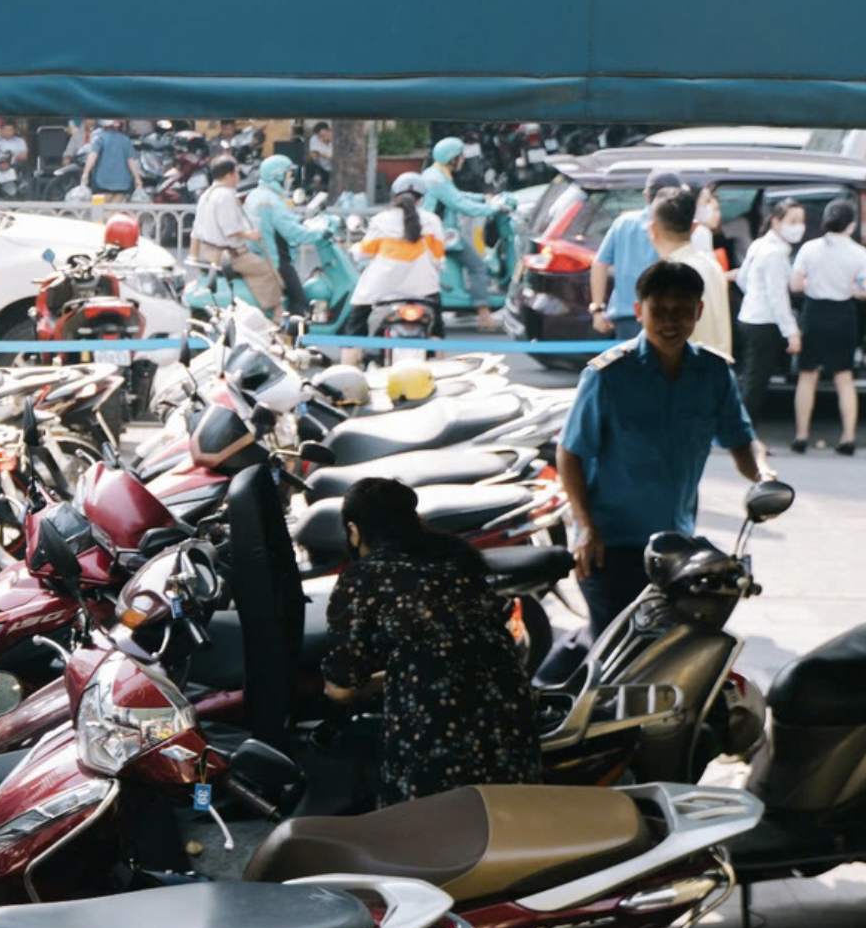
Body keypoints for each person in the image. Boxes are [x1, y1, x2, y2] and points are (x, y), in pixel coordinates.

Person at [558, 259, 775, 639]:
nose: (670, 322)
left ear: (699, 312)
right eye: (659, 311)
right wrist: (586, 528)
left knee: (666, 652)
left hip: (677, 546)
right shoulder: (608, 376)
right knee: (613, 650)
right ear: (640, 311)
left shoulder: (712, 373)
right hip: (610, 544)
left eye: (682, 311)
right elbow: (570, 453)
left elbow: (741, 440)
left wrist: (763, 475)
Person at [322, 477, 544, 803]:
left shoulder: (363, 577)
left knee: (429, 828)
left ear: (354, 530)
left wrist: (377, 681)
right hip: (509, 710)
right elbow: (455, 644)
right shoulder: (456, 560)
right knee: (505, 816)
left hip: (437, 727)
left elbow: (342, 689)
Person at [790, 197, 866, 455]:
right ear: (850, 225)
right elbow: (863, 292)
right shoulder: (860, 253)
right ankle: (848, 437)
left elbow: (795, 285)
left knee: (808, 376)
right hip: (844, 314)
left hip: (814, 312)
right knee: (844, 377)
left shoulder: (809, 249)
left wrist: (813, 283)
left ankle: (801, 435)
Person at [344, 178, 447, 338]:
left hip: (381, 290)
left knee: (355, 329)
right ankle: (438, 359)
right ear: (421, 199)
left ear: (394, 196)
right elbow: (439, 260)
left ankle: (348, 361)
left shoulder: (381, 220)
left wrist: (354, 249)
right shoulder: (433, 221)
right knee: (437, 331)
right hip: (424, 290)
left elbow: (364, 252)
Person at [734, 198, 807, 423]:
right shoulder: (775, 253)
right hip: (764, 322)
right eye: (792, 221)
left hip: (750, 316)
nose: (798, 227)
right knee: (756, 383)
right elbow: (778, 298)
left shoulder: (760, 245)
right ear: (776, 222)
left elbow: (742, 279)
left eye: (801, 221)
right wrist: (791, 332)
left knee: (751, 379)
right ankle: (744, 435)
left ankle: (744, 432)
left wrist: (755, 296)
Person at [587, 168, 684, 335]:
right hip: (668, 317)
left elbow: (599, 264)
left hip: (626, 320)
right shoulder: (680, 228)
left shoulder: (623, 223)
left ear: (646, 195)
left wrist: (597, 310)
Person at [639, 189, 732, 363]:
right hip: (716, 372)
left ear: (653, 229)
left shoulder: (666, 276)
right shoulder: (712, 266)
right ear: (694, 227)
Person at [418, 135, 498, 297]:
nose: (463, 160)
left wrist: (482, 198)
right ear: (452, 158)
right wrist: (494, 209)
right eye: (460, 156)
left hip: (441, 230)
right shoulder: (437, 179)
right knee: (477, 266)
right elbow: (461, 204)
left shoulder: (436, 174)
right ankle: (483, 309)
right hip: (441, 232)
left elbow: (456, 195)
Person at [241, 152, 317, 318]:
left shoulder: (256, 195)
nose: (290, 179)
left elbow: (280, 222)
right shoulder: (272, 201)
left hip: (259, 253)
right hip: (275, 259)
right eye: (288, 174)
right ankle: (295, 334)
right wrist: (318, 234)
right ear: (278, 175)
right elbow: (292, 232)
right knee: (300, 301)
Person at [189, 153, 263, 299]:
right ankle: (275, 311)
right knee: (267, 270)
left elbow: (195, 230)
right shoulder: (225, 195)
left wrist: (193, 256)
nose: (238, 177)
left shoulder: (207, 194)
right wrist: (251, 235)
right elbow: (231, 230)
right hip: (226, 256)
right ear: (229, 176)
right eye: (236, 173)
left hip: (208, 253)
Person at [80, 116, 141, 203]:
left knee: (98, 210)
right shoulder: (125, 140)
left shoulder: (100, 139)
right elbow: (131, 161)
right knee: (114, 211)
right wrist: (137, 178)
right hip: (122, 184)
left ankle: (102, 217)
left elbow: (92, 156)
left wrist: (85, 173)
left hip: (102, 183)